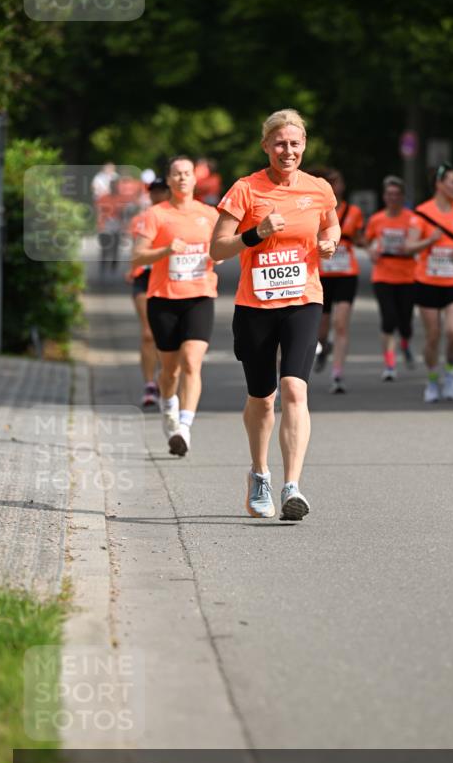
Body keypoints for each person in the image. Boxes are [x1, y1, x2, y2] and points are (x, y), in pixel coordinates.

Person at [212, 108, 340, 521]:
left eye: (295, 143)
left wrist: (329, 243)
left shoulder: (319, 189)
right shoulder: (245, 190)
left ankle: (292, 487)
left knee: (295, 390)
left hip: (304, 300)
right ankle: (260, 473)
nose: (289, 151)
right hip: (256, 306)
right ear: (266, 145)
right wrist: (256, 233)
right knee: (262, 399)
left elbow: (331, 226)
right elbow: (217, 249)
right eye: (280, 143)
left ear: (304, 146)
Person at [131, 156, 219, 455]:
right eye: (176, 174)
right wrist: (166, 250)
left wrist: (217, 256)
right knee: (169, 370)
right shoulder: (156, 215)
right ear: (168, 181)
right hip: (164, 299)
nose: (182, 178)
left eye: (187, 173)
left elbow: (223, 247)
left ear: (196, 179)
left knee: (192, 361)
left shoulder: (209, 214)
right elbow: (137, 256)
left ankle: (184, 426)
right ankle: (168, 405)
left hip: (200, 295)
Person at [414, 163, 453, 402]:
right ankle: (432, 381)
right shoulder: (422, 212)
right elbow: (408, 246)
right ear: (439, 184)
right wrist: (428, 241)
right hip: (427, 281)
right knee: (433, 336)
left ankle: (450, 374)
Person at [365, 176, 438, 381]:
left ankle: (405, 343)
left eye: (397, 195)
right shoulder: (377, 219)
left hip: (408, 275)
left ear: (403, 197)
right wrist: (370, 251)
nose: (393, 198)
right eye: (389, 194)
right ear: (384, 197)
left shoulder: (412, 219)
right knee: (388, 320)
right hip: (382, 275)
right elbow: (367, 240)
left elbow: (421, 241)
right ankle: (389, 365)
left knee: (405, 322)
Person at [314, 170, 365, 393]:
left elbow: (360, 238)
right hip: (322, 276)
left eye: (338, 182)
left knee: (341, 324)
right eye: (331, 183)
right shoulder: (316, 211)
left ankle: (337, 374)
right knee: (321, 332)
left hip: (346, 274)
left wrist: (372, 244)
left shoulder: (354, 212)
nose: (335, 186)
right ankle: (324, 347)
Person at [125, 177, 170, 408]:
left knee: (169, 335)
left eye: (162, 191)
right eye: (154, 191)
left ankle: (167, 377)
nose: (158, 195)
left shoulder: (176, 217)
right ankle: (149, 385)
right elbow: (137, 250)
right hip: (144, 279)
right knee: (148, 334)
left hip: (169, 279)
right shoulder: (140, 219)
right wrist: (133, 268)